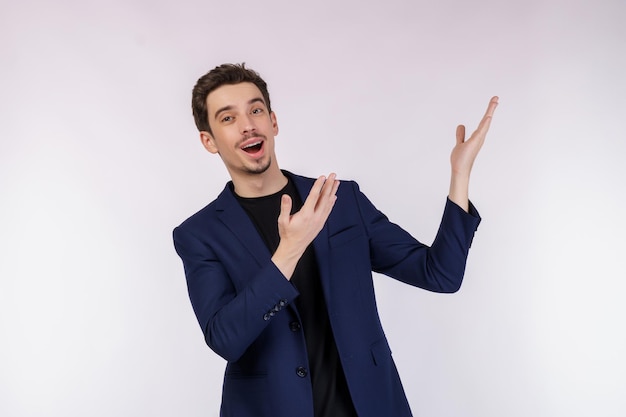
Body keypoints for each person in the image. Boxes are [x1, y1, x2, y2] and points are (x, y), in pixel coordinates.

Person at [173, 63, 498, 417]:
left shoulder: (340, 201)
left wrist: (460, 174)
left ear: (273, 121)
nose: (248, 124)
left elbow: (441, 274)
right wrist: (289, 250)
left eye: (255, 110)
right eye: (228, 118)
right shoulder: (200, 235)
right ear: (209, 140)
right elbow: (225, 339)